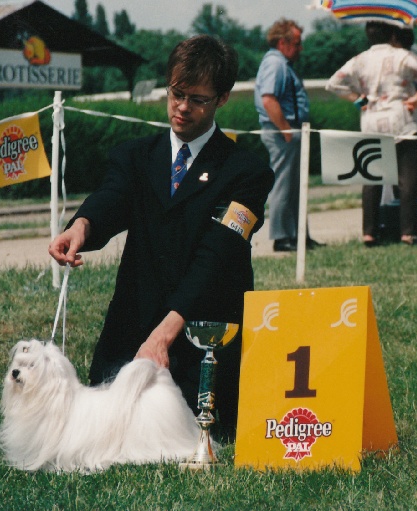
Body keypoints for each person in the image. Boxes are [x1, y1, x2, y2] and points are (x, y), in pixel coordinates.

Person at [48, 35, 274, 440]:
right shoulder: (134, 156)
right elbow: (112, 198)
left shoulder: (247, 172)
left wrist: (163, 336)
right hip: (131, 334)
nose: (182, 107)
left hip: (201, 341)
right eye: (176, 93)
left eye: (198, 99)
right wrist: (81, 226)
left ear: (223, 98)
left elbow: (217, 256)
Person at [326, 22, 417, 246]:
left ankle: (369, 232)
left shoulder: (360, 59)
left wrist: (357, 99)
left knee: (372, 179)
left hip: (372, 121)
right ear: (392, 34)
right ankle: (407, 232)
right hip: (402, 120)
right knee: (407, 180)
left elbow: (333, 83)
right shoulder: (403, 55)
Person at [254, 18, 321, 252]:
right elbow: (269, 99)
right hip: (283, 132)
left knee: (296, 186)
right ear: (283, 42)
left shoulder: (280, 63)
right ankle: (282, 237)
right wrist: (286, 130)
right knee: (284, 184)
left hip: (288, 130)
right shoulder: (276, 64)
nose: (301, 48)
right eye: (297, 43)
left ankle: (299, 236)